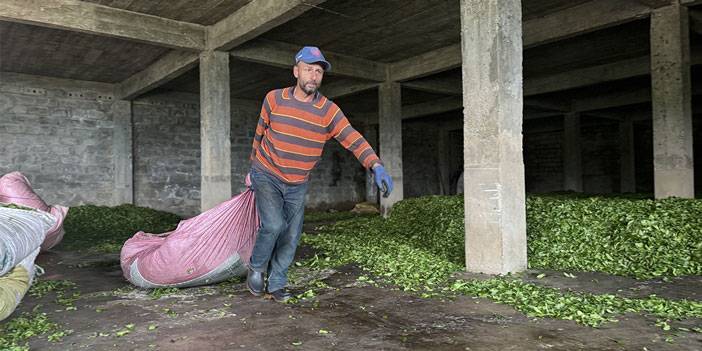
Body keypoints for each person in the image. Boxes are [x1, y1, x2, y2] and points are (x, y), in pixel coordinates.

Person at [246, 46, 393, 302]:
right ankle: (257, 267)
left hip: (298, 182)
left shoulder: (329, 111)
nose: (313, 76)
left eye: (318, 71)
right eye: (308, 70)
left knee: (291, 235)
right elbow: (259, 133)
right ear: (296, 71)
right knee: (273, 224)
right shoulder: (274, 99)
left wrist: (376, 165)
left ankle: (277, 283)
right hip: (267, 173)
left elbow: (353, 138)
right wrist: (251, 168)